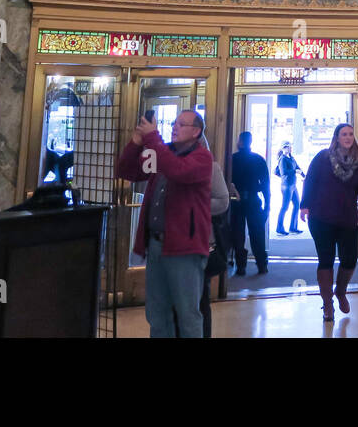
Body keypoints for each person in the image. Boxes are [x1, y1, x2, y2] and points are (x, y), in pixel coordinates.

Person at [115, 108, 212, 338]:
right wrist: (137, 142)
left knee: (188, 314)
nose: (174, 127)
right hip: (157, 245)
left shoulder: (202, 158)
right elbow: (126, 170)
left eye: (182, 124)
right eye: (174, 123)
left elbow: (178, 171)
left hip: (184, 248)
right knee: (157, 313)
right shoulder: (163, 153)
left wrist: (152, 138)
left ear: (196, 131)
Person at [300, 123, 358, 322]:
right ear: (336, 137)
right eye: (343, 134)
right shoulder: (323, 157)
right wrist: (304, 205)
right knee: (326, 259)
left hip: (347, 218)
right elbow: (310, 180)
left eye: (350, 134)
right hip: (321, 217)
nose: (348, 137)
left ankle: (340, 291)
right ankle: (328, 304)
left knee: (349, 259)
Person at [228, 131, 270, 275]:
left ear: (239, 141)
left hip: (236, 201)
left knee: (237, 234)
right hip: (253, 199)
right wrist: (267, 206)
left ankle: (241, 266)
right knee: (257, 234)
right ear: (251, 142)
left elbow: (227, 182)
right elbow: (265, 185)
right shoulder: (258, 159)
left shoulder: (232, 159)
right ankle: (261, 264)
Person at [200, 157, 231, 338]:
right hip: (170, 247)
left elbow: (222, 201)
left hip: (200, 246)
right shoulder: (168, 165)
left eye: (181, 125)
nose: (176, 129)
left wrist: (193, 205)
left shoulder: (210, 167)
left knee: (199, 302)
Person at [273, 143, 305, 236]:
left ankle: (293, 227)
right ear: (284, 148)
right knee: (285, 207)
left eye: (291, 146)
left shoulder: (291, 157)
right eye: (289, 147)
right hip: (286, 186)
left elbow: (298, 167)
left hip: (293, 185)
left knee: (297, 204)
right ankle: (279, 228)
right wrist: (295, 171)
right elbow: (283, 172)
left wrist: (304, 176)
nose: (291, 148)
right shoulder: (282, 159)